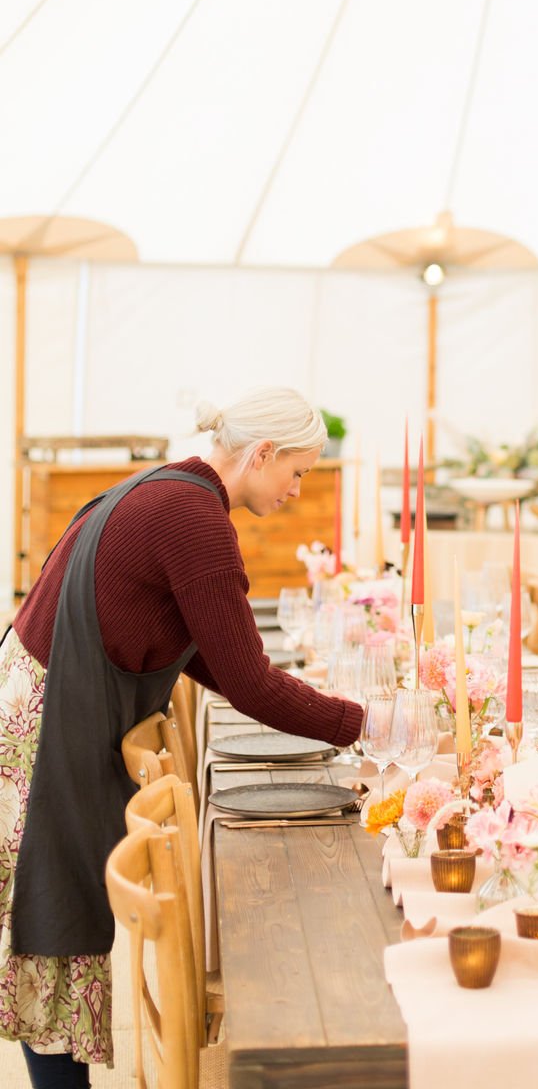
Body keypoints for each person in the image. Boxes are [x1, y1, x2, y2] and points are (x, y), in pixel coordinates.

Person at [0, 388, 363, 1088]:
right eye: (299, 473)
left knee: (51, 926)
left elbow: (210, 656)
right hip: (47, 712)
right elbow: (250, 684)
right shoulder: (195, 518)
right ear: (262, 455)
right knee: (54, 923)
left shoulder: (171, 491)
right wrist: (366, 725)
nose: (297, 490)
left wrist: (315, 704)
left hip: (36, 690)